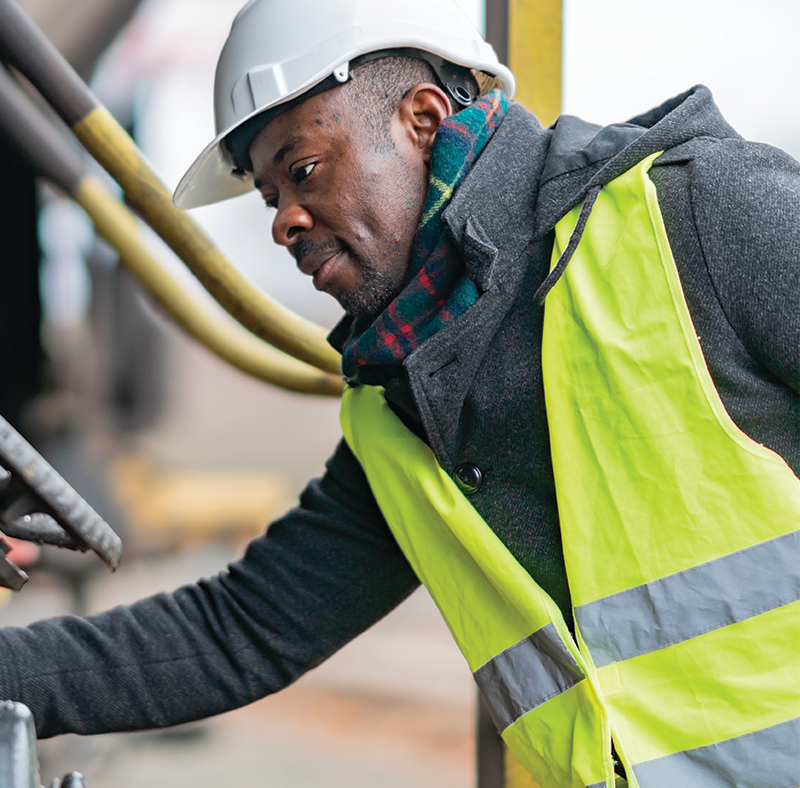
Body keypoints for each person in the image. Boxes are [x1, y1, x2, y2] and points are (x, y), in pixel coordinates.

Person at [1, 0, 798, 785]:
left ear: (420, 119)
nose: (282, 221)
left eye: (301, 169)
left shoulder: (694, 216)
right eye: (269, 195)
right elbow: (240, 629)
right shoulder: (404, 411)